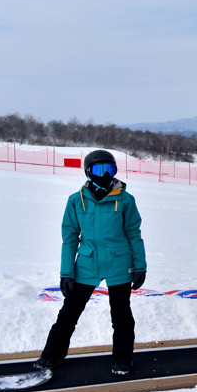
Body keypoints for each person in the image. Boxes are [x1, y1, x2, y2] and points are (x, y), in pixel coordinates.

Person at [33, 150, 147, 376]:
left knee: (121, 315)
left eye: (109, 169)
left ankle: (122, 360)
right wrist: (67, 273)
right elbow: (70, 238)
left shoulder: (125, 199)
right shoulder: (76, 200)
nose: (104, 175)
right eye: (98, 170)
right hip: (87, 262)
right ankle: (52, 354)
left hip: (119, 263)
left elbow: (134, 233)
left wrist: (140, 266)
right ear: (88, 172)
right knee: (69, 313)